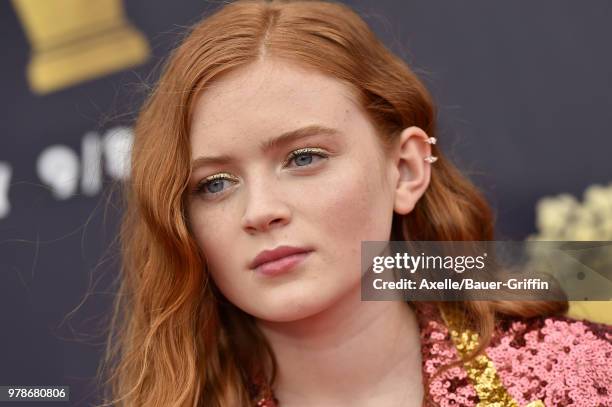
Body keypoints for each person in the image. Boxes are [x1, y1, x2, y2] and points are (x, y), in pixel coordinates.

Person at [99, 1, 612, 406]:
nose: (259, 211)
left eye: (303, 157)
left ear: (406, 170)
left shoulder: (582, 379)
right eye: (214, 185)